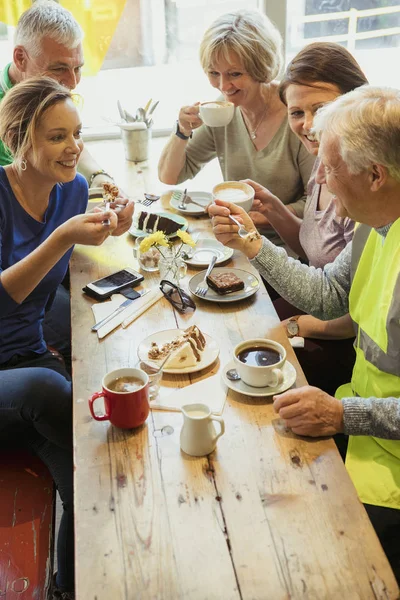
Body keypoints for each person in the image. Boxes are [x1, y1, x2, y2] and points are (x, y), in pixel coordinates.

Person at [209, 85, 400, 581]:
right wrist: (252, 243)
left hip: (390, 463)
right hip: (364, 426)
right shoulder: (376, 223)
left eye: (331, 170)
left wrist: (342, 414)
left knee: (313, 560)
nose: (323, 184)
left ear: (376, 175)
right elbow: (326, 295)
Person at [0, 77, 119, 600]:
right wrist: (63, 237)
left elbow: (55, 284)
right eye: (55, 137)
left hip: (27, 359)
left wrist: (110, 224)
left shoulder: (72, 192)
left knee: (86, 462)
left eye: (77, 134)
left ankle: (72, 587)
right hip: (18, 379)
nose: (73, 148)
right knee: (54, 397)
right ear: (19, 141)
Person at [0, 1, 134, 372]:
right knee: (85, 327)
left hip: (33, 282)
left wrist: (104, 188)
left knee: (106, 323)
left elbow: (68, 155)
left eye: (77, 69)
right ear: (21, 58)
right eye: (60, 69)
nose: (72, 82)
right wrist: (62, 234)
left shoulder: (69, 178)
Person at [243, 42, 368, 395]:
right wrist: (274, 210)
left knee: (258, 357)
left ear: (356, 100)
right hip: (316, 303)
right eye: (297, 112)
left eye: (322, 109)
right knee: (242, 321)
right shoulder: (323, 162)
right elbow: (314, 250)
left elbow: (347, 309)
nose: (309, 124)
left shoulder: (365, 190)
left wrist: (298, 325)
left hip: (342, 336)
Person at [158, 9, 315, 247]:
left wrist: (259, 217)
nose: (223, 86)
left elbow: (315, 204)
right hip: (237, 243)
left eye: (234, 73)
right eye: (213, 73)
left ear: (261, 68)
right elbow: (170, 176)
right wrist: (182, 130)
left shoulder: (295, 114)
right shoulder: (222, 112)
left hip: (288, 248)